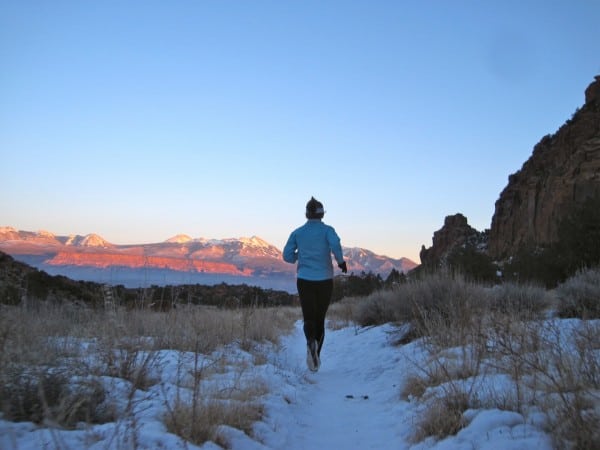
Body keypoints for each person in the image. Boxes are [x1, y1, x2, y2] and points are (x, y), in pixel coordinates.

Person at [283, 196, 347, 372]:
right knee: (320, 318)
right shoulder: (328, 231)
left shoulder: (297, 233)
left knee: (308, 317)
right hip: (325, 279)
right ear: (321, 215)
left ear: (306, 214)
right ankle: (316, 354)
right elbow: (336, 245)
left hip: (304, 279)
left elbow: (287, 256)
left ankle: (310, 341)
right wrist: (341, 262)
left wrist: (300, 255)